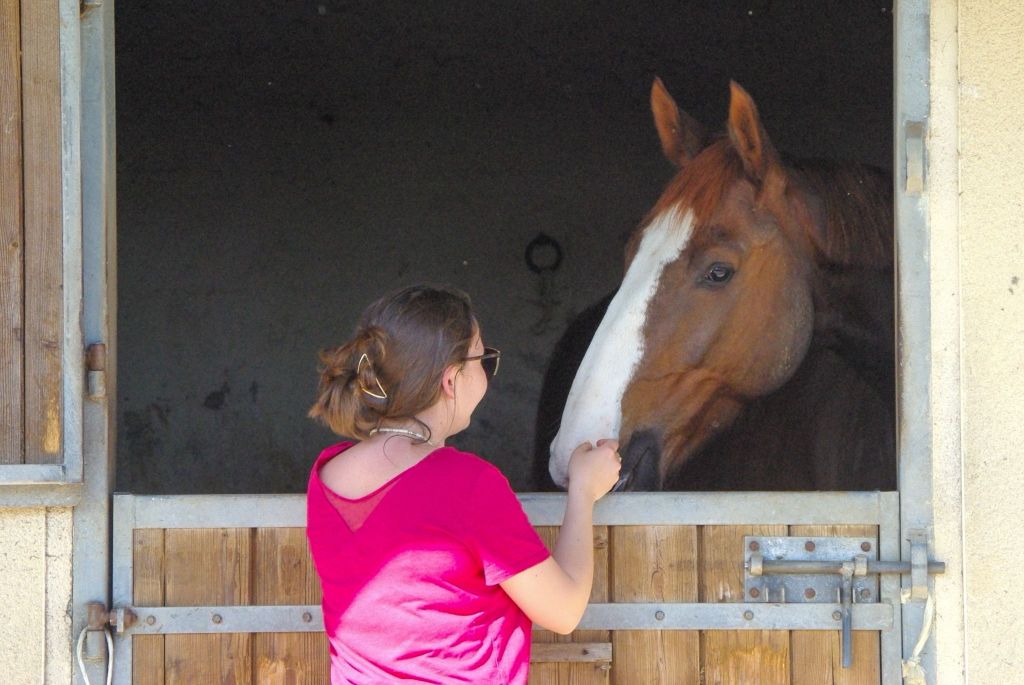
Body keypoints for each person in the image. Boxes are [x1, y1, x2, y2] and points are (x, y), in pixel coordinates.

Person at [306, 284, 621, 684]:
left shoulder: (326, 475)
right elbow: (563, 611)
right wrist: (584, 491)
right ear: (451, 380)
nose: (487, 370)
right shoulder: (467, 485)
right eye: (483, 358)